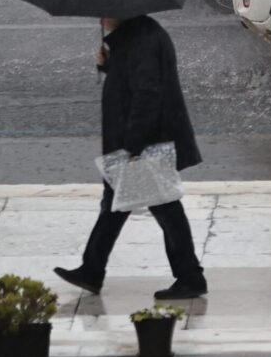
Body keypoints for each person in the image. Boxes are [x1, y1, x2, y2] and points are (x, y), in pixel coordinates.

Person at [54, 15, 208, 299]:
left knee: (165, 208)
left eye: (104, 11)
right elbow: (133, 78)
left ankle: (190, 276)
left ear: (121, 11)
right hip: (135, 140)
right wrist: (108, 65)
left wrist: (133, 145)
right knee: (114, 205)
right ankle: (92, 269)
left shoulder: (143, 40)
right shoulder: (137, 37)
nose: (100, 18)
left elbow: (148, 92)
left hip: (143, 141)